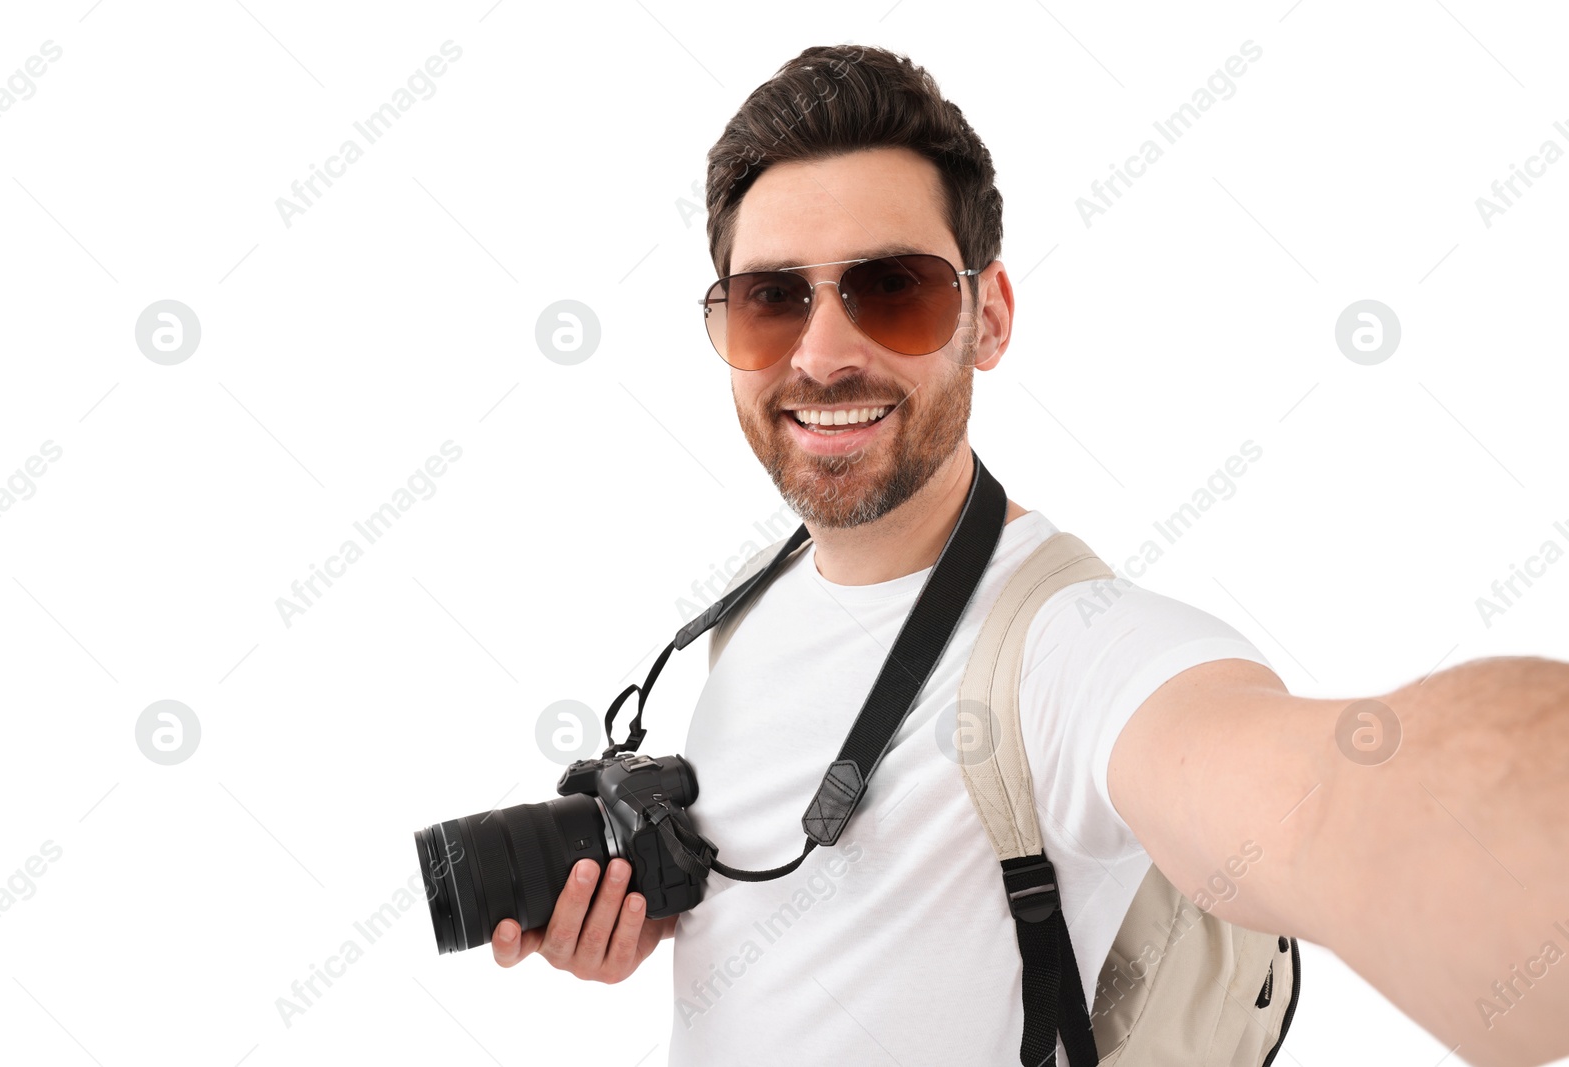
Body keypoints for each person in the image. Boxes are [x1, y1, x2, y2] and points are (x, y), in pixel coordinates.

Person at [491, 44, 1569, 1067]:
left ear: (988, 317)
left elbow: (1334, 798)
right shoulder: (748, 609)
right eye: (773, 299)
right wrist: (665, 915)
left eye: (893, 289)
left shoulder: (1072, 653)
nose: (821, 354)